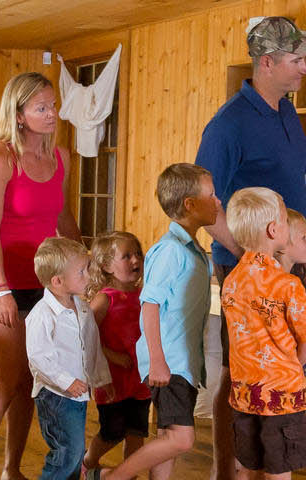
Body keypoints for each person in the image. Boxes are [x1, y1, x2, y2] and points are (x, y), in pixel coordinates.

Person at [193, 18, 306, 476]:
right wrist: (252, 259)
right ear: (266, 63)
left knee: (282, 366)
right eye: (296, 60)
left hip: (287, 265)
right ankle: (228, 471)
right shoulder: (228, 125)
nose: (305, 69)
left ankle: (271, 467)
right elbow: (207, 207)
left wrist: (298, 250)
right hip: (245, 271)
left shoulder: (287, 111)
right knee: (242, 371)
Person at [0, 71, 82, 480]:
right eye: (41, 108)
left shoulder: (61, 158)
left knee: (30, 385)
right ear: (18, 115)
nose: (51, 114)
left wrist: (84, 265)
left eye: (53, 106)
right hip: (5, 286)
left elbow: (64, 218)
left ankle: (11, 469)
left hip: (46, 286)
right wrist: (0, 289)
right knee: (7, 380)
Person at [102, 164, 222, 480]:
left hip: (184, 362)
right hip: (170, 362)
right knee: (181, 438)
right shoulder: (169, 251)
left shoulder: (194, 249)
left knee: (169, 437)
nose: (218, 201)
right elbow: (149, 305)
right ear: (189, 205)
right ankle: (112, 477)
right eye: (211, 195)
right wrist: (157, 360)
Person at [220, 187, 306, 479]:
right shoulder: (287, 284)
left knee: (248, 467)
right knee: (279, 471)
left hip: (244, 395)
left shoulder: (232, 281)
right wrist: (296, 370)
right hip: (282, 397)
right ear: (274, 229)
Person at [82, 232, 171, 480]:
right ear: (106, 266)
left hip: (140, 380)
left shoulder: (146, 295)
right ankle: (88, 460)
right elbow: (86, 338)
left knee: (136, 431)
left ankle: (127, 474)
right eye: (127, 256)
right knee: (112, 431)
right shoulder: (104, 300)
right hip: (112, 380)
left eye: (138, 254)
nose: (135, 260)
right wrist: (112, 355)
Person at [25, 236, 111, 480]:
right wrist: (66, 381)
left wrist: (101, 379)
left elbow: (92, 346)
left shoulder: (82, 308)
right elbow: (39, 358)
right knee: (67, 452)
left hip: (77, 394)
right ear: (57, 281)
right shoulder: (42, 315)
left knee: (73, 454)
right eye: (82, 272)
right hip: (56, 396)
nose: (88, 276)